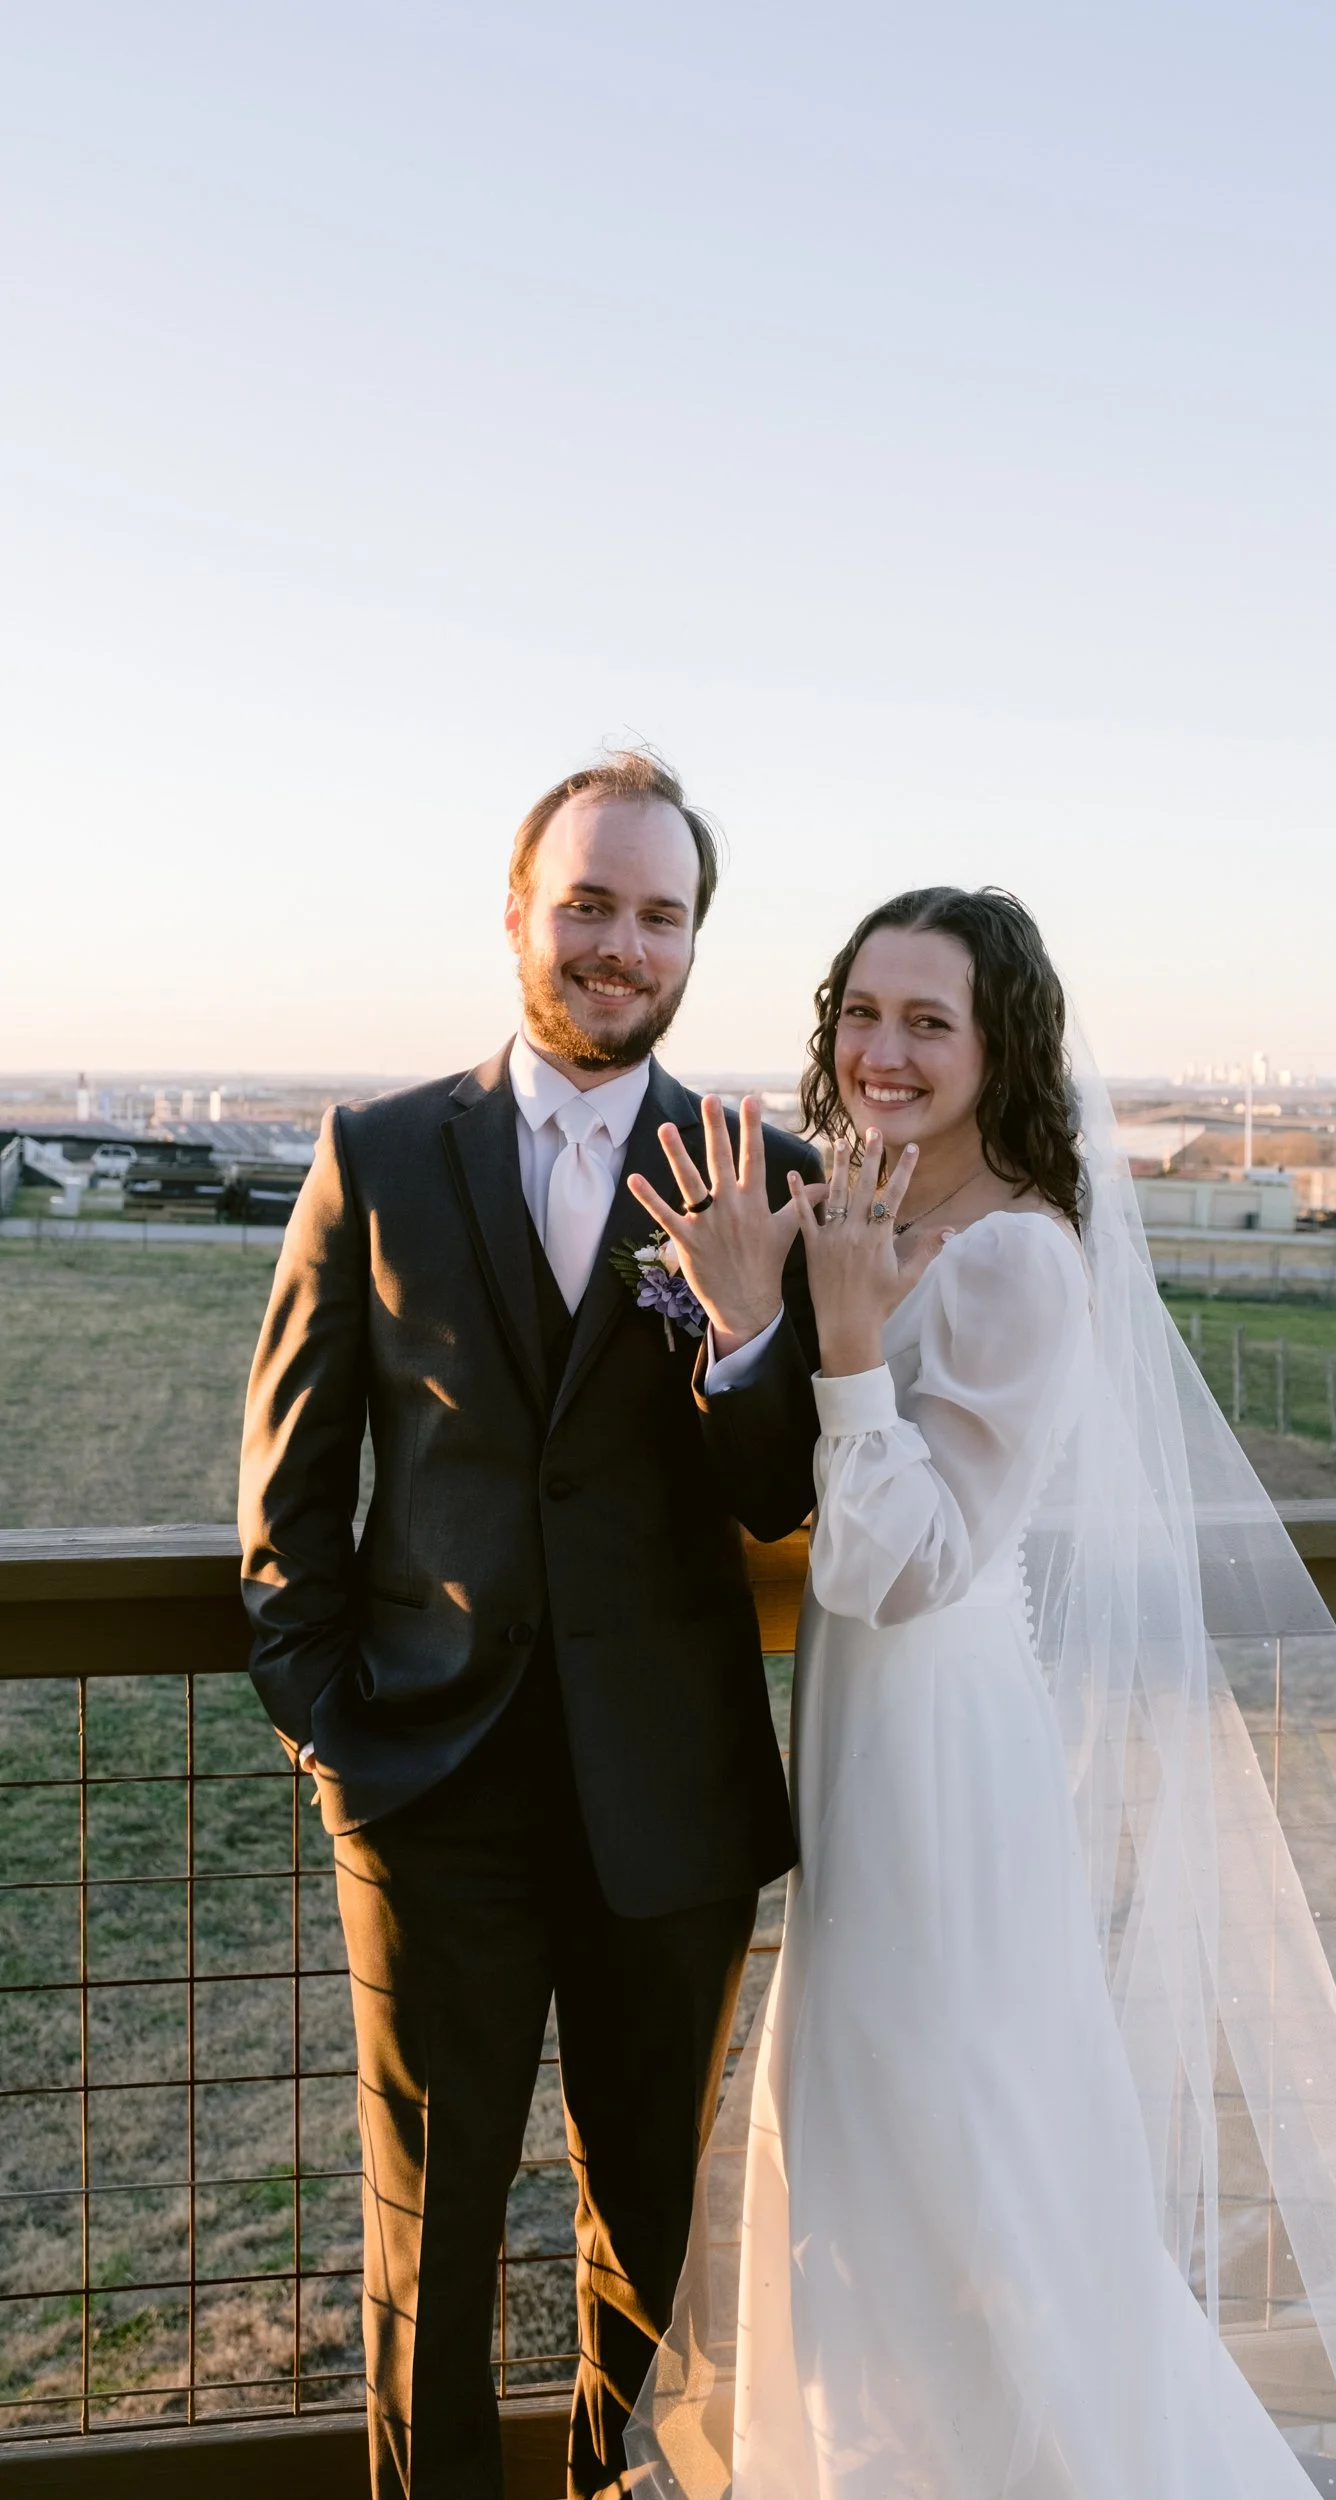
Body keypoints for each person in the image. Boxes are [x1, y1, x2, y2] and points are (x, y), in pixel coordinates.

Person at [627, 888, 1336, 2499]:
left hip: (940, 1749)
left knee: (954, 2130)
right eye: (862, 1013)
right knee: (870, 2120)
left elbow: (904, 1563)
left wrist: (836, 1339)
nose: (883, 1051)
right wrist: (761, 1317)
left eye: (928, 1022)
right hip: (868, 1736)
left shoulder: (1015, 1258)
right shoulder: (866, 1210)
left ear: (999, 1047)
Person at [237, 750, 826, 2500]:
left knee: (654, 2234)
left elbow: (780, 1494)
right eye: (588, 904)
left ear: (694, 940)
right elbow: (290, 1487)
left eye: (659, 914)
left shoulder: (767, 1172)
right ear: (517, 914)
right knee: (431, 2236)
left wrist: (740, 1331)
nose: (620, 944)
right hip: (430, 1796)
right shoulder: (376, 1154)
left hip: (672, 1806)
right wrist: (334, 1741)